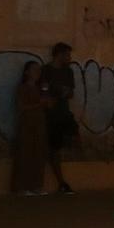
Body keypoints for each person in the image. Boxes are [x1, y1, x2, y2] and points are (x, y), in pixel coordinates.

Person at [42, 42, 78, 193]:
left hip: (64, 112)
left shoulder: (68, 72)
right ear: (60, 54)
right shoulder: (46, 70)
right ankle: (61, 182)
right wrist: (49, 95)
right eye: (67, 55)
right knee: (54, 148)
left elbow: (71, 93)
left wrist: (65, 93)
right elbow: (43, 88)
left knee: (74, 140)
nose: (69, 58)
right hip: (52, 115)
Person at [11, 59, 50, 194]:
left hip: (39, 124)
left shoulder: (41, 89)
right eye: (34, 69)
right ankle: (22, 186)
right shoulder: (22, 88)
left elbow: (47, 105)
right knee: (25, 154)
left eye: (39, 70)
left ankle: (36, 186)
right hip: (26, 124)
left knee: (38, 154)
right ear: (27, 72)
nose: (37, 73)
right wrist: (39, 104)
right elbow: (21, 107)